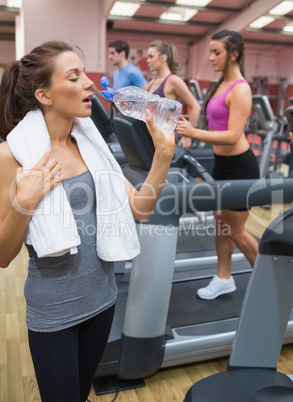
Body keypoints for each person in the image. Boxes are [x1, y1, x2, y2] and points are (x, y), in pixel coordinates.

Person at [0, 40, 175, 402]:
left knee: (80, 394)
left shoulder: (92, 147)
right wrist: (23, 203)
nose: (90, 84)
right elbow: (2, 255)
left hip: (102, 300)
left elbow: (140, 208)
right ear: (44, 95)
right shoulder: (14, 157)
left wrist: (164, 155)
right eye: (74, 77)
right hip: (54, 311)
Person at [176, 29, 259, 300]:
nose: (210, 57)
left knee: (236, 230)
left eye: (216, 52)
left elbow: (234, 135)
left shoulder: (241, 89)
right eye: (210, 51)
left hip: (240, 167)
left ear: (234, 54)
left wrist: (193, 133)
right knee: (221, 225)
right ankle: (223, 278)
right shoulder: (221, 83)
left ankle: (274, 281)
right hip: (222, 165)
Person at [143, 40, 201, 149]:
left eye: (151, 56)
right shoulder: (151, 83)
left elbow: (196, 107)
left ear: (163, 58)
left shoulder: (174, 81)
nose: (148, 60)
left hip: (166, 141)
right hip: (152, 140)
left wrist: (188, 136)